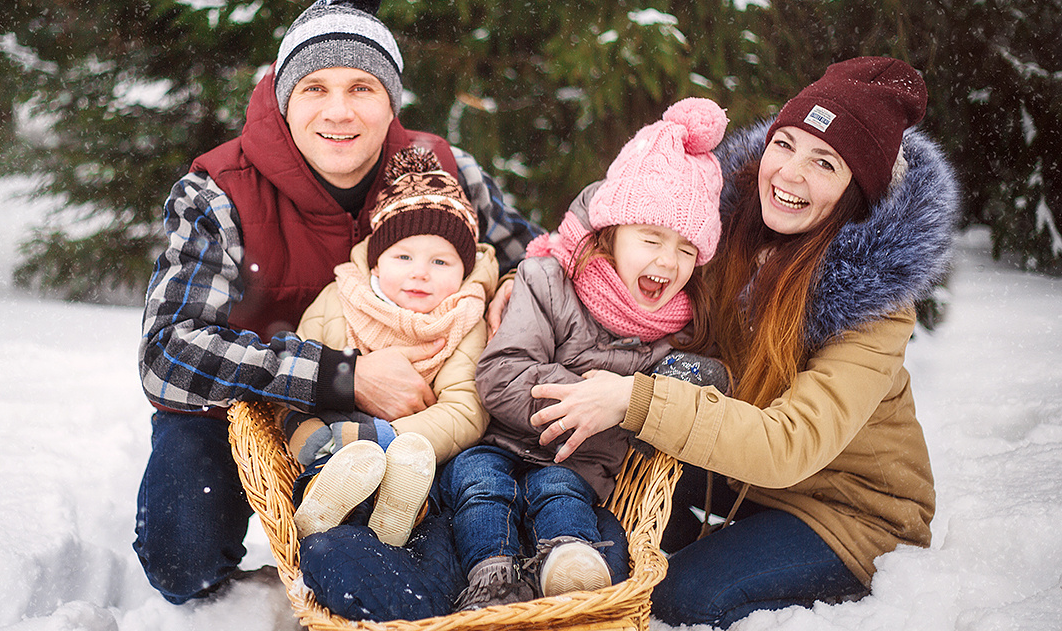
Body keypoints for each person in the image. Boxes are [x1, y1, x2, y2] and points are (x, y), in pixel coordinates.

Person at [133, 0, 540, 605]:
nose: (339, 111)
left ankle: (391, 568)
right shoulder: (219, 191)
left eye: (362, 88)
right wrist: (341, 376)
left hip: (424, 409)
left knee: (441, 511)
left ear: (391, 102)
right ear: (285, 99)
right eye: (316, 88)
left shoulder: (444, 171)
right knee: (180, 558)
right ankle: (257, 587)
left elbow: (539, 256)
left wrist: (518, 284)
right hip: (247, 404)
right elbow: (168, 355)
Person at [529, 57, 960, 627]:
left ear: (857, 192)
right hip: (738, 475)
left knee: (680, 599)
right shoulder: (728, 229)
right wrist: (537, 279)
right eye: (784, 144)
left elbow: (790, 444)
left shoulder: (874, 306)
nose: (789, 174)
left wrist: (636, 400)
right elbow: (624, 227)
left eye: (824, 162)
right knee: (610, 541)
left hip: (846, 511)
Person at [440, 98, 734, 610]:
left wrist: (629, 400)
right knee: (477, 482)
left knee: (559, 491)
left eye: (686, 250)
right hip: (503, 441)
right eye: (651, 238)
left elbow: (707, 385)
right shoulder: (547, 281)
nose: (667, 261)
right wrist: (589, 397)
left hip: (581, 465)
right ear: (613, 234)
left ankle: (570, 565)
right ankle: (491, 574)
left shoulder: (679, 329)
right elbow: (500, 373)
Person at [283, 146, 499, 548]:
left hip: (417, 446)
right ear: (377, 262)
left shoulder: (465, 319)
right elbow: (298, 371)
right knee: (314, 437)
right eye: (403, 256)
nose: (420, 272)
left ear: (464, 271)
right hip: (332, 432)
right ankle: (323, 500)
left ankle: (396, 513)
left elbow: (465, 411)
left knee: (417, 467)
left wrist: (382, 437)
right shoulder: (340, 298)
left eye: (441, 262)